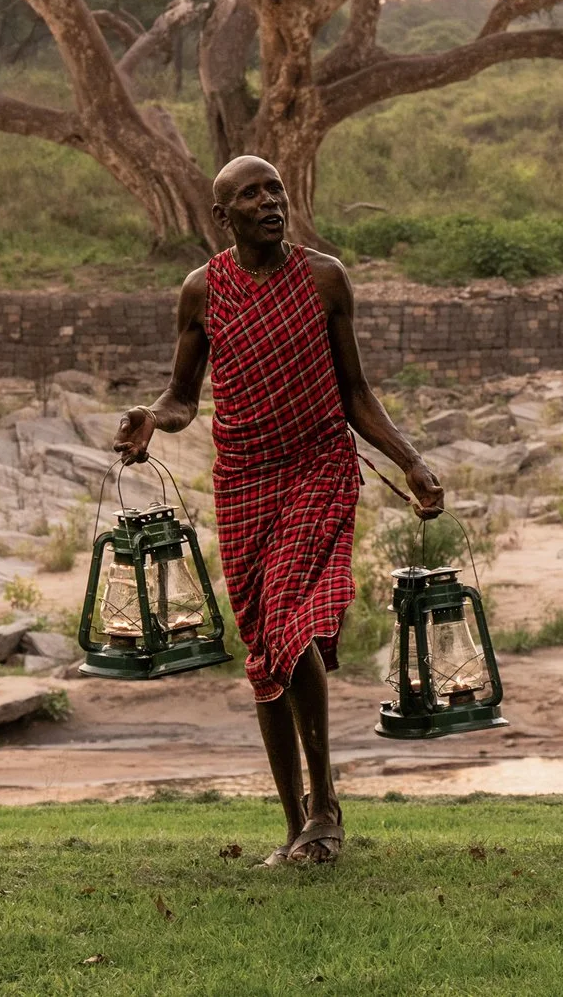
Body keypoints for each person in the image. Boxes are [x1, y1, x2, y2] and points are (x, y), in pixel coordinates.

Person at [116, 155, 443, 864]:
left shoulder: (324, 279)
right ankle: (297, 823)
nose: (269, 202)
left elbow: (355, 391)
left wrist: (410, 459)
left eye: (275, 190)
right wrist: (151, 417)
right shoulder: (201, 292)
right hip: (242, 482)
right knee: (266, 649)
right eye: (250, 195)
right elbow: (182, 396)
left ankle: (326, 806)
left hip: (319, 470)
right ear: (222, 215)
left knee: (291, 626)